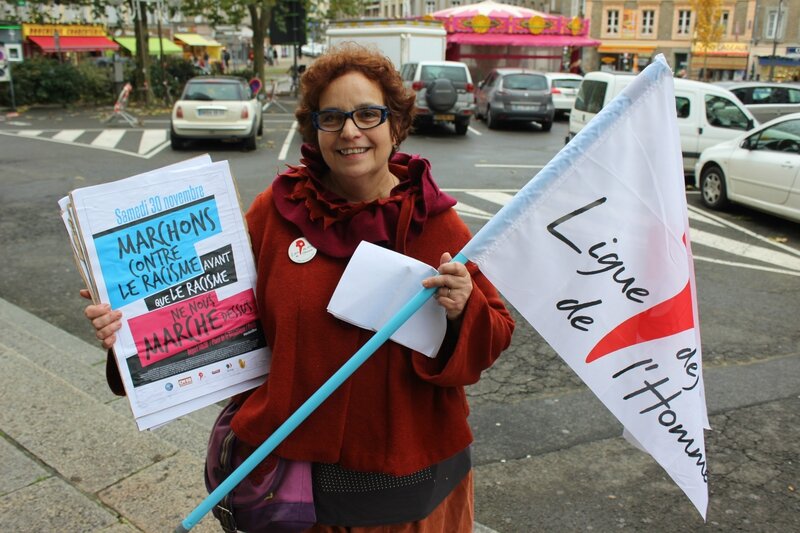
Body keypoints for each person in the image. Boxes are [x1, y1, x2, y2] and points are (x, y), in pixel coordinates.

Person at [81, 43, 514, 531]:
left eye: (368, 115)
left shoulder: (438, 224)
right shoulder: (277, 210)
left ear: (395, 125)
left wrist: (462, 309)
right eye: (332, 117)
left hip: (407, 489)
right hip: (291, 489)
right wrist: (131, 327)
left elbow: (495, 333)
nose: (350, 131)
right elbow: (210, 303)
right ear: (315, 130)